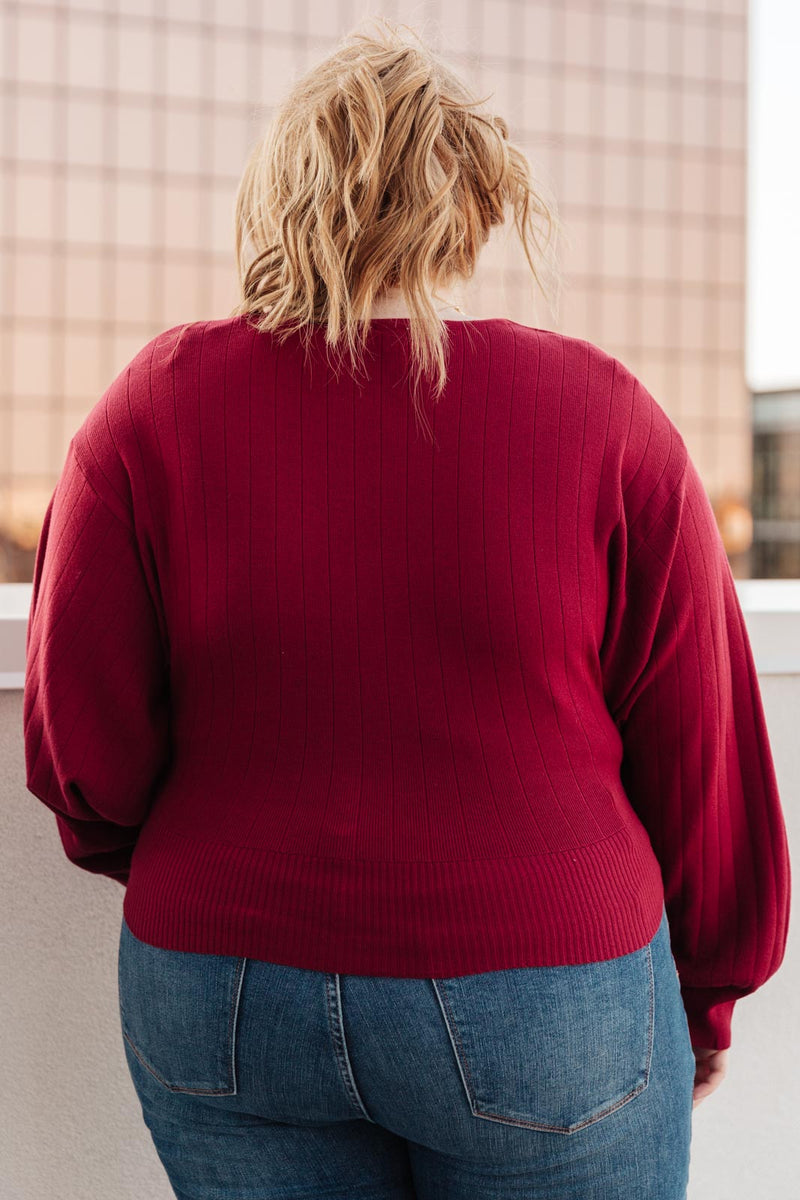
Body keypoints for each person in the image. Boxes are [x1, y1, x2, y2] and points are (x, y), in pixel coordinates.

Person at [22, 16, 790, 1200]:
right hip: (546, 987)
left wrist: (210, 866)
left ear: (282, 196)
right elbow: (702, 751)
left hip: (223, 985)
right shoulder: (603, 417)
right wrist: (709, 994)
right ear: (475, 205)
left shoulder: (152, 409)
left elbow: (87, 752)